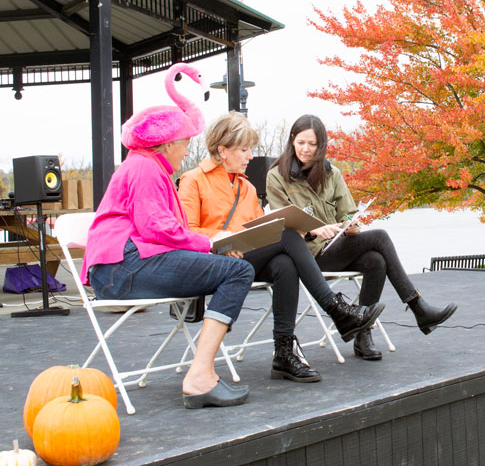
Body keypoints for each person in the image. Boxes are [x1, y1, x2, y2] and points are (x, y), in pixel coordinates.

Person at [80, 63, 253, 409]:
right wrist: (212, 244)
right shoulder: (144, 167)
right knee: (239, 271)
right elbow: (157, 228)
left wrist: (209, 249)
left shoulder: (143, 164)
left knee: (229, 269)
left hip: (120, 265)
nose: (187, 151)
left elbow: (162, 232)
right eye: (184, 144)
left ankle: (202, 371)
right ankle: (201, 374)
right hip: (122, 266)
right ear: (167, 143)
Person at [178, 112, 385, 380]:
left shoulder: (246, 188)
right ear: (222, 150)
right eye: (244, 150)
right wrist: (224, 238)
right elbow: (186, 233)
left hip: (244, 259)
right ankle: (336, 309)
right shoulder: (193, 180)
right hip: (214, 261)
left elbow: (257, 232)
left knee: (284, 262)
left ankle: (284, 353)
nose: (250, 156)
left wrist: (293, 226)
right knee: (287, 235)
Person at [266, 114, 458, 361]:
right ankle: (418, 307)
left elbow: (347, 213)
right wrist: (313, 230)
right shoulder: (277, 175)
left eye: (312, 144)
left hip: (336, 247)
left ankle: (363, 335)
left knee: (376, 260)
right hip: (309, 255)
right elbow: (283, 225)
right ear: (292, 140)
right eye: (301, 142)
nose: (306, 149)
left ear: (321, 145)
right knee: (380, 236)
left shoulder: (331, 173)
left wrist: (351, 225)